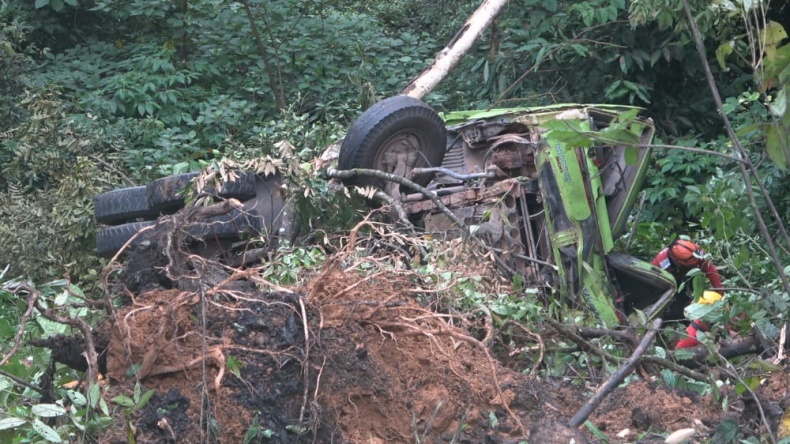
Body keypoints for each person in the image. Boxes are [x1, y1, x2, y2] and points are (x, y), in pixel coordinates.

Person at [651, 237, 725, 349]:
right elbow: (652, 284)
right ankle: (661, 332)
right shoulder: (661, 263)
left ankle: (686, 321)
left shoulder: (697, 254)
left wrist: (720, 294)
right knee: (670, 309)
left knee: (685, 302)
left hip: (688, 278)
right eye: (691, 265)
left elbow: (711, 271)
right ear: (678, 262)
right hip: (666, 281)